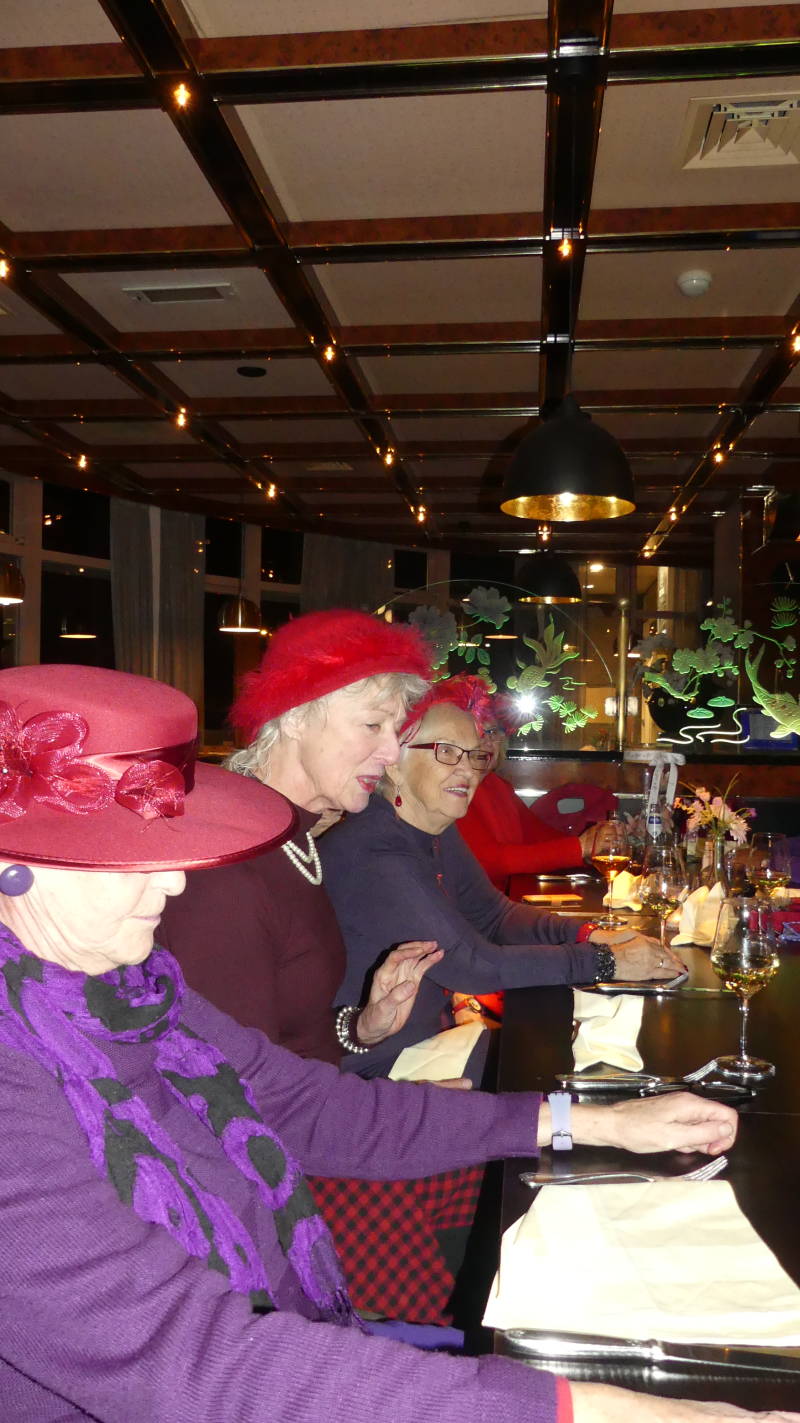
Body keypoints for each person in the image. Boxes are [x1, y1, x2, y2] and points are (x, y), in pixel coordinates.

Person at [0, 661, 775, 1423]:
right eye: (126, 856)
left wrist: (592, 1121)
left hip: (289, 1334)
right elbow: (194, 1363)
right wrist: (590, 1408)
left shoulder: (132, 986)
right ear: (12, 865)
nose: (173, 881)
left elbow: (304, 1102)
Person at [161, 609, 481, 1325]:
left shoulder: (290, 837)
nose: (391, 752)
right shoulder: (229, 863)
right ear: (295, 715)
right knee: (495, 1194)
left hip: (307, 1128)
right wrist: (396, 1113)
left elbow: (279, 1037)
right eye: (373, 725)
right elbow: (229, 1107)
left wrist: (361, 1026)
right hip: (260, 1194)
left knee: (508, 1170)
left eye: (397, 729)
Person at [322, 682, 684, 1077]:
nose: (468, 770)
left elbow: (494, 915)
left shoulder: (433, 827)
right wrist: (606, 961)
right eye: (446, 751)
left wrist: (593, 935)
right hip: (376, 1069)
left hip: (429, 1041)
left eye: (475, 754)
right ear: (394, 761)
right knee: (557, 1073)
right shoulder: (374, 850)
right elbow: (472, 965)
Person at [451, 677, 614, 896]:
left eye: (493, 732)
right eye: (478, 732)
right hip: (467, 911)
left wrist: (594, 844)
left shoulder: (497, 786)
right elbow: (491, 861)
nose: (487, 742)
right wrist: (580, 848)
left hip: (497, 906)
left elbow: (539, 836)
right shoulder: (453, 788)